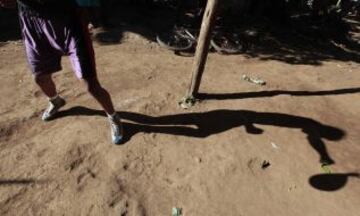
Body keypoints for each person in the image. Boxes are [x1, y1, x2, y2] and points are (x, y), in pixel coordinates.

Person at [0, 0, 124, 144]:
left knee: (89, 83)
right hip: (32, 21)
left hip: (68, 21)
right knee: (40, 77)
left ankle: (114, 117)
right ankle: (55, 101)